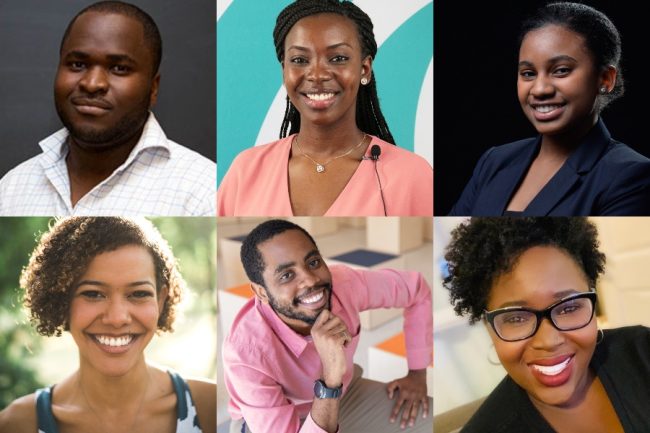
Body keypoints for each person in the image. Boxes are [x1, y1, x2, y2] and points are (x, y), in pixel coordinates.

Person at [217, 0, 433, 217]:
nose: (318, 75)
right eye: (300, 59)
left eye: (338, 58)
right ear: (285, 71)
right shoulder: (246, 170)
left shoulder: (411, 176)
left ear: (364, 69)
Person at [0, 217, 216, 433]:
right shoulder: (17, 424)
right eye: (93, 294)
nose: (117, 317)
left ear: (160, 300)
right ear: (62, 301)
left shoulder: (213, 408)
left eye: (139, 294)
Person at [0, 1, 216, 216]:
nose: (92, 84)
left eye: (119, 68)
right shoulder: (11, 189)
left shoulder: (205, 193)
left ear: (153, 88)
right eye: (77, 64)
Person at [222, 219, 433, 432]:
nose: (311, 280)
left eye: (313, 262)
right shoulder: (244, 352)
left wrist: (417, 373)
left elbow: (416, 290)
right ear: (261, 292)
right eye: (287, 275)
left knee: (427, 419)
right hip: (274, 421)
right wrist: (330, 378)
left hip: (343, 395)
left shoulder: (345, 285)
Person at [442, 217, 650, 432]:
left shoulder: (642, 349)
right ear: (488, 326)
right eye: (516, 318)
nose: (549, 341)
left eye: (569, 308)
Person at [449, 2, 650, 216]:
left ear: (605, 79)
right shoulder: (495, 161)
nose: (540, 89)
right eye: (528, 73)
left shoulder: (630, 176)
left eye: (561, 71)